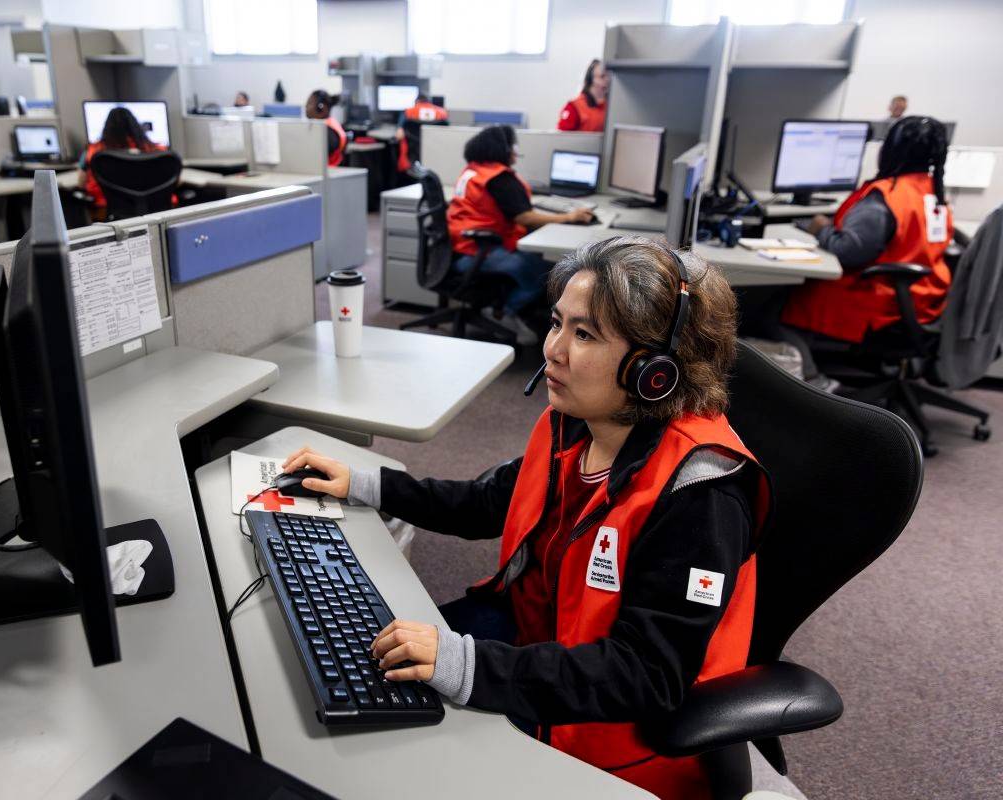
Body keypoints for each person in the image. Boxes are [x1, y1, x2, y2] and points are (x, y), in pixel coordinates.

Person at [280, 237, 770, 799]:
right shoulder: (578, 426)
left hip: (606, 724)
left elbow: (647, 676)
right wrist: (369, 483)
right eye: (557, 323)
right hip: (538, 638)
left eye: (584, 334)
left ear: (655, 370)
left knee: (397, 757)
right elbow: (489, 502)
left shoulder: (701, 494)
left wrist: (470, 667)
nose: (553, 350)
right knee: (370, 667)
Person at [779, 116, 953, 383]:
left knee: (770, 307)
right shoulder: (932, 191)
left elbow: (848, 251)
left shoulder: (889, 196)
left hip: (882, 301)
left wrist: (819, 229)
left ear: (891, 149)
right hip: (923, 297)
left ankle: (814, 381)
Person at [446, 124, 594, 344]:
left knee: (538, 263)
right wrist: (568, 217)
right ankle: (503, 313)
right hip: (480, 251)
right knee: (549, 274)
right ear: (502, 149)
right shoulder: (499, 179)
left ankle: (508, 309)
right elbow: (524, 217)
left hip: (461, 247)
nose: (516, 150)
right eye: (513, 146)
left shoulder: (473, 171)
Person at [76, 107, 168, 219]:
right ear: (136, 126)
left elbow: (80, 183)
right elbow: (176, 181)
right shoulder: (158, 150)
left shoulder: (93, 151)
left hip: (109, 213)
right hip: (157, 212)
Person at [395, 92, 449, 172]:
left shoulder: (408, 112)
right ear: (429, 102)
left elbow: (398, 135)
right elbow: (448, 134)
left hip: (413, 156)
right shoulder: (442, 112)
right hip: (436, 152)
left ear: (417, 102)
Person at [557, 59, 609, 132]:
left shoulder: (611, 108)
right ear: (590, 80)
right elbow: (561, 139)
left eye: (609, 77)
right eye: (602, 77)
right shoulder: (574, 107)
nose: (607, 80)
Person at [306, 89, 346, 167]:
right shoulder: (328, 124)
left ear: (321, 108)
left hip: (327, 173)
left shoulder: (328, 131)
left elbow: (315, 155)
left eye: (310, 103)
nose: (306, 106)